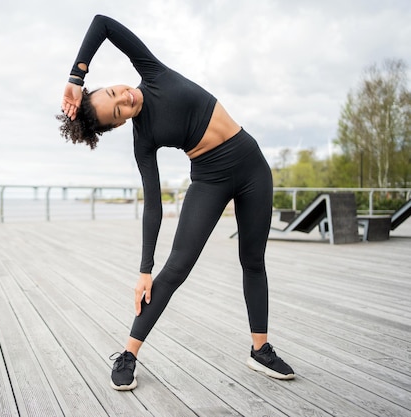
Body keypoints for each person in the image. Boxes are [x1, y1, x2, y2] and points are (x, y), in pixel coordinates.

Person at [58, 14, 295, 391]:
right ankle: (129, 354)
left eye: (113, 93)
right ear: (118, 125)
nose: (124, 98)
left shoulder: (152, 73)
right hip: (209, 179)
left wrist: (76, 78)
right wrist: (143, 269)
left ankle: (260, 350)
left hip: (253, 167)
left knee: (253, 260)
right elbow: (152, 205)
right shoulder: (143, 139)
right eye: (117, 111)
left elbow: (102, 23)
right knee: (176, 268)